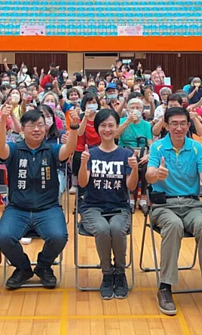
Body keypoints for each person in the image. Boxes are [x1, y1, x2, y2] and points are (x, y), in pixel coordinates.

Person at [145, 107, 202, 318]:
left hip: (191, 204)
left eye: (182, 123)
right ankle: (165, 287)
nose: (178, 128)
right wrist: (156, 174)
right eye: (174, 124)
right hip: (164, 206)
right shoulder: (158, 148)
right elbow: (150, 175)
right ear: (166, 126)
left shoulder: (196, 148)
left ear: (188, 125)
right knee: (174, 225)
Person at [0, 106, 79, 289]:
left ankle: (43, 267)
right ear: (22, 129)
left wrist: (73, 127)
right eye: (31, 125)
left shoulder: (51, 149)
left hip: (48, 208)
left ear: (46, 128)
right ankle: (23, 268)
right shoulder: (14, 149)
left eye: (40, 125)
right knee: (4, 237)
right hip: (17, 209)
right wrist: (2, 120)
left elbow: (69, 148)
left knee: (58, 236)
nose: (36, 129)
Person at [78, 108, 139, 299]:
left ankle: (119, 273)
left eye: (111, 125)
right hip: (92, 207)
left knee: (117, 228)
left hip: (119, 207)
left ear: (116, 127)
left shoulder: (125, 153)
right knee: (103, 229)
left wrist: (135, 169)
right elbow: (82, 183)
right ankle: (107, 274)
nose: (107, 129)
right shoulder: (91, 153)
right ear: (97, 128)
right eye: (103, 125)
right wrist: (82, 163)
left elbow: (131, 185)